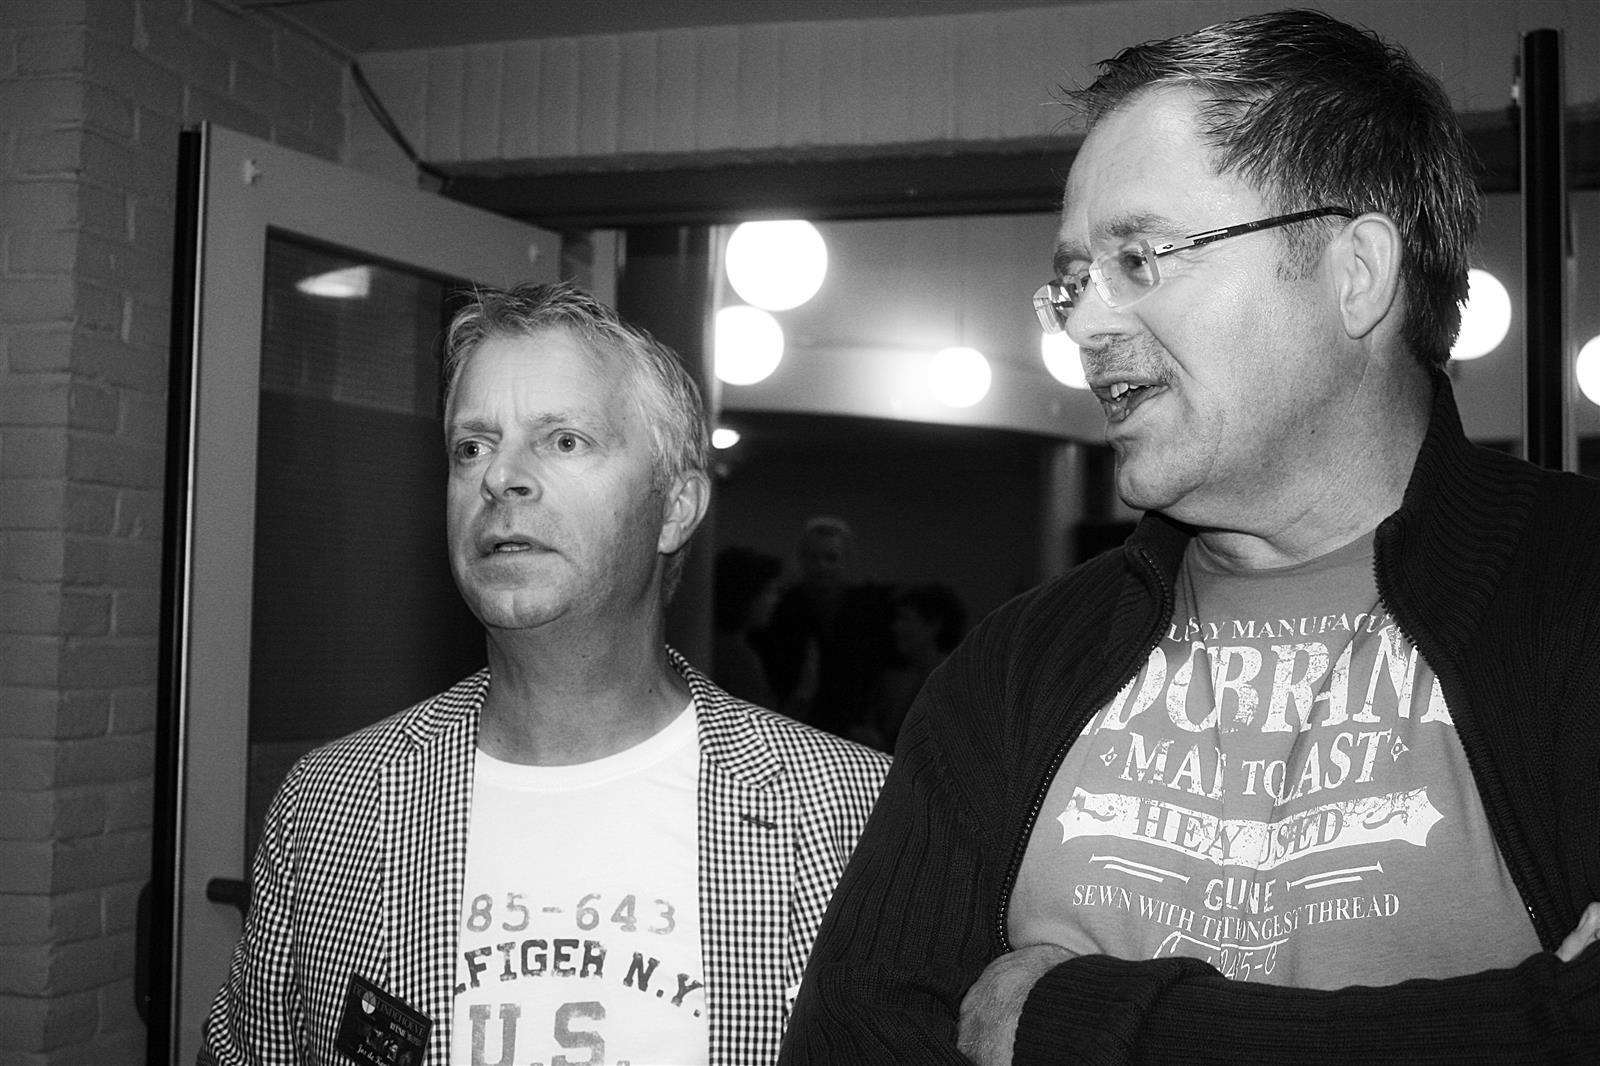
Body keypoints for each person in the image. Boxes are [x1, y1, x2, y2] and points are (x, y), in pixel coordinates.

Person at [781, 10, 1600, 1064]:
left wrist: (1080, 1025)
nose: (1084, 326)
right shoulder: (1017, 666)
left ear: (1355, 273)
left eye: (1140, 256)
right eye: (1074, 279)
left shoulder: (1578, 591)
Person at [199, 282, 889, 1066]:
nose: (501, 477)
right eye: (472, 447)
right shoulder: (332, 809)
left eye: (563, 440)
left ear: (675, 507)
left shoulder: (848, 817)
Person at [757, 517, 896, 737]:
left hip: (855, 729)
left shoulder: (868, 611)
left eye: (831, 558)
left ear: (847, 560)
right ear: (802, 559)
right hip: (794, 725)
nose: (821, 566)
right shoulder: (783, 610)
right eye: (813, 557)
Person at [868, 583, 967, 751]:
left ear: (934, 625)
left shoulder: (955, 683)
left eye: (905, 618)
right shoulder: (898, 679)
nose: (896, 627)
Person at [712, 544, 784, 706]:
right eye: (770, 591)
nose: (776, 600)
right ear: (747, 595)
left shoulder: (724, 647)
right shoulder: (738, 658)